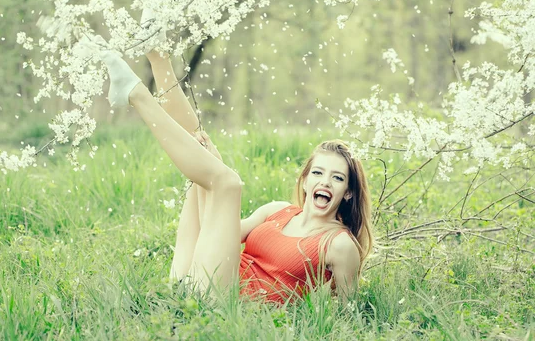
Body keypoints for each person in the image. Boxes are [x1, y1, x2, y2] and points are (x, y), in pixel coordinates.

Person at [81, 21, 374, 304]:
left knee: (228, 182)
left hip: (223, 301)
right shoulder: (278, 212)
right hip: (195, 276)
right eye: (319, 172)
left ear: (348, 191)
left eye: (337, 178)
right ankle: (157, 56)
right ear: (306, 179)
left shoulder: (339, 244)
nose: (324, 182)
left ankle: (135, 95)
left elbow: (346, 311)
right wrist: (210, 164)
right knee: (201, 145)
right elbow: (224, 235)